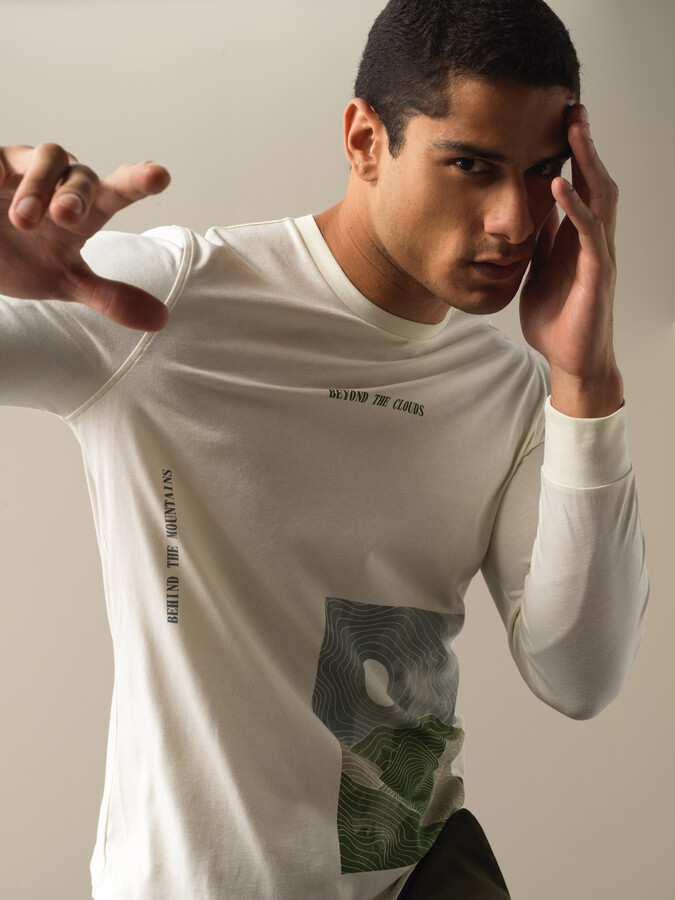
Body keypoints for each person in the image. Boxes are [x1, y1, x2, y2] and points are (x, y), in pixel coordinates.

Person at [0, 0, 649, 898]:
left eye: (543, 174)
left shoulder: (514, 390)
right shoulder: (162, 302)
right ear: (364, 140)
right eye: (470, 164)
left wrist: (586, 379)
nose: (513, 220)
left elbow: (580, 676)